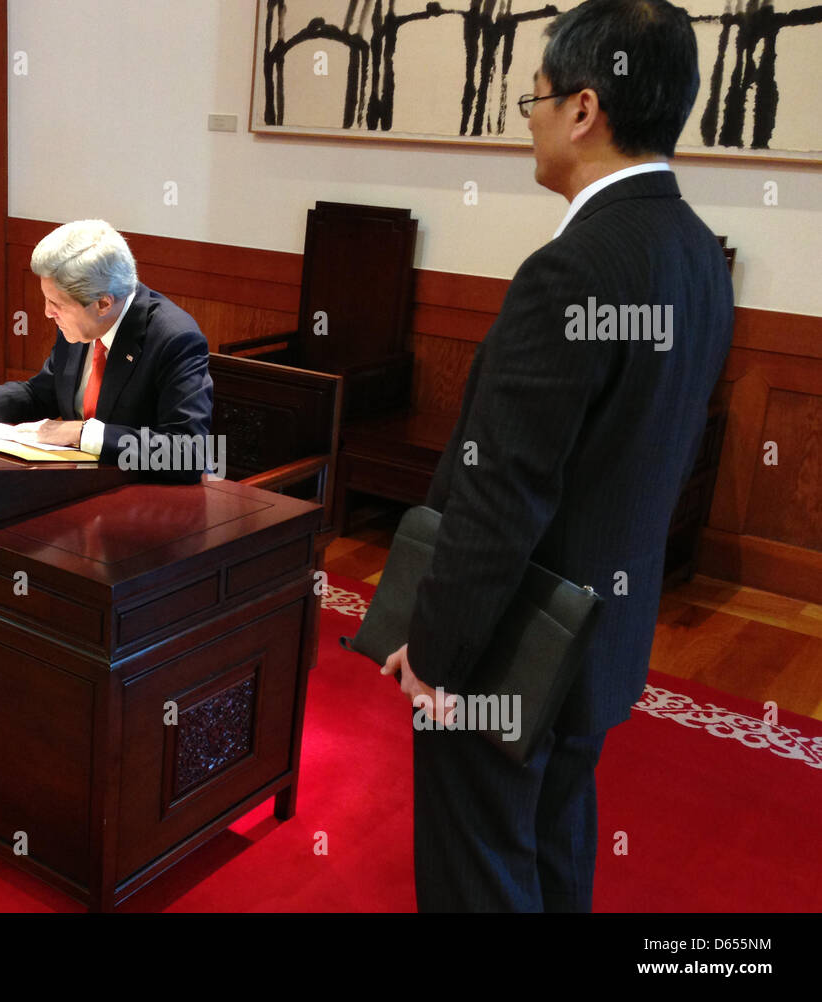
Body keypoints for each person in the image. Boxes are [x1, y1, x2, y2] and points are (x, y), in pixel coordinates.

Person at [380, 0, 734, 911]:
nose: (529, 124)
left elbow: (503, 492)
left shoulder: (572, 268)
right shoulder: (695, 251)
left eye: (532, 100)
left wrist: (438, 651)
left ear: (583, 108)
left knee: (481, 871)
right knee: (552, 841)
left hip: (511, 643)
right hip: (601, 634)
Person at [0, 219, 213, 483]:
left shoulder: (174, 337)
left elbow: (187, 453)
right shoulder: (82, 320)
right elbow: (41, 394)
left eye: (56, 304)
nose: (46, 313)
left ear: (103, 304)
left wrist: (79, 433)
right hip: (76, 484)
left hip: (148, 503)